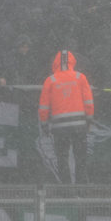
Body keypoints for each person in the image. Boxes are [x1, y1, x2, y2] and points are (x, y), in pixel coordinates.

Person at [38, 50, 95, 184]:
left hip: (59, 128)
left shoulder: (50, 80)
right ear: (73, 62)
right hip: (79, 126)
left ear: (55, 63)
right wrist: (89, 119)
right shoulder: (80, 78)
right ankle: (82, 189)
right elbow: (89, 102)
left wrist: (44, 124)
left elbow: (43, 107)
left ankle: (66, 191)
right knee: (80, 158)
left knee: (62, 159)